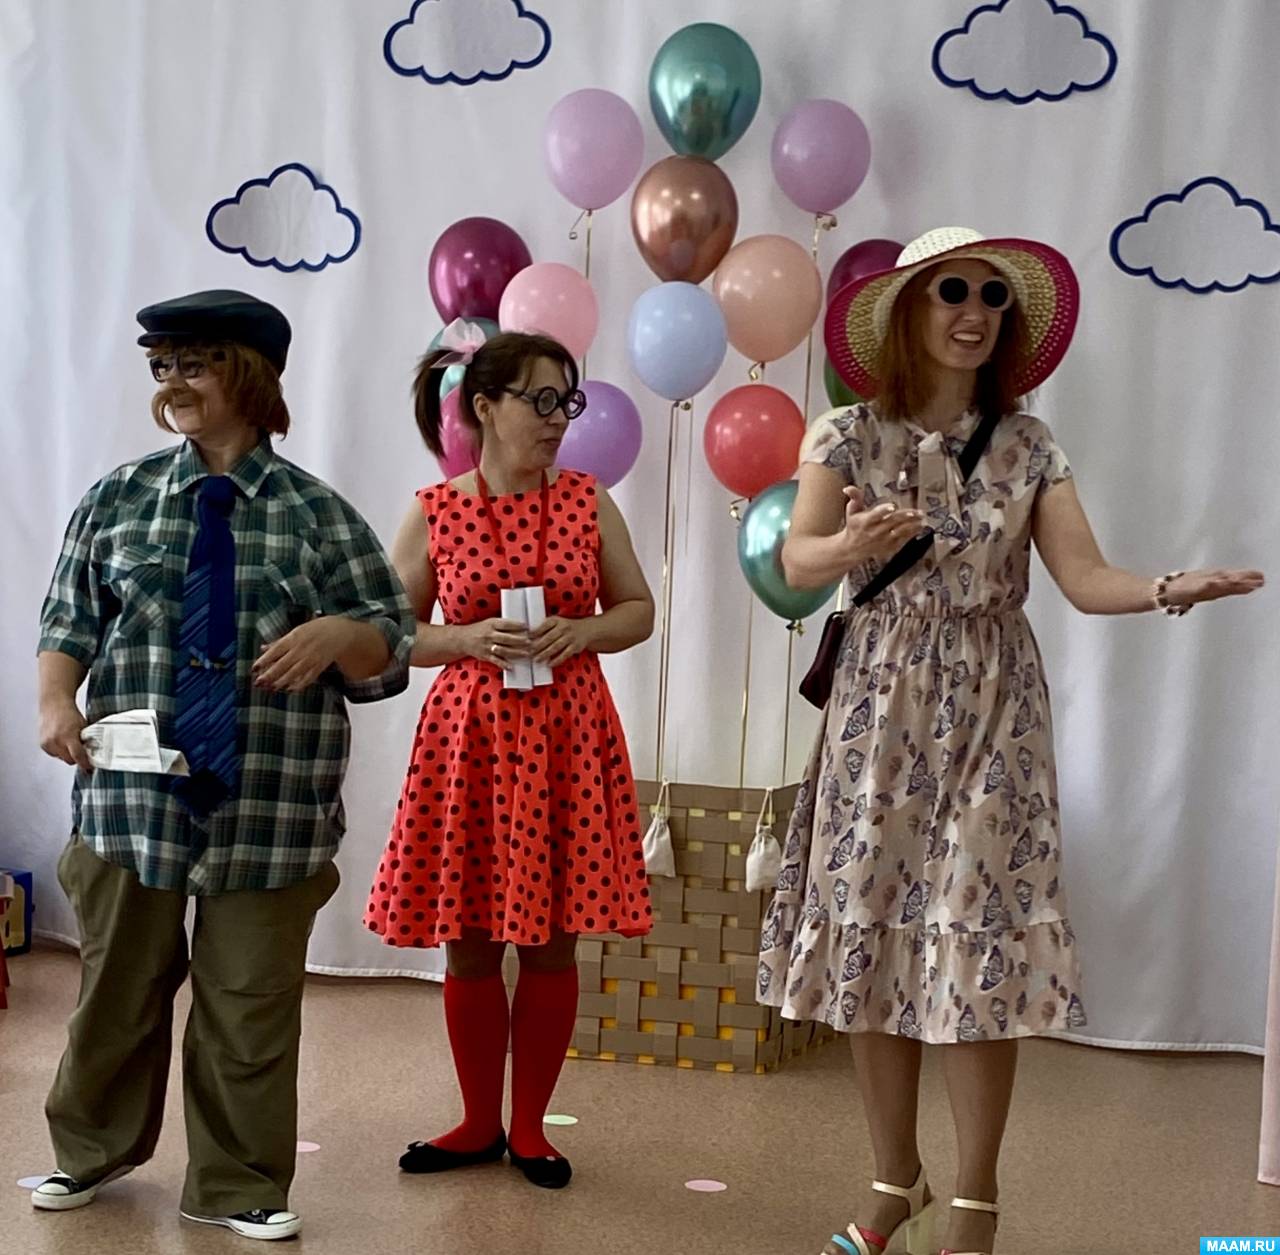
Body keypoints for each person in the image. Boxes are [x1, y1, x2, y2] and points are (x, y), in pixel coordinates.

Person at [760, 228, 1264, 1255]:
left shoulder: (1030, 446)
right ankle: (892, 1181)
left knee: (977, 938)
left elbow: (1084, 577)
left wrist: (1167, 587)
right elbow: (798, 559)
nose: (974, 312)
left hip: (994, 709)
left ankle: (975, 1205)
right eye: (953, 290)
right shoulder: (845, 434)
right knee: (869, 927)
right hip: (878, 706)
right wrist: (844, 543)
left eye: (993, 298)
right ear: (908, 307)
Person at [34, 290, 416, 1241]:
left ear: (249, 377)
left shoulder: (318, 516)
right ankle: (87, 1150)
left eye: (194, 364)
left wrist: (339, 633)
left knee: (249, 1007)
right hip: (130, 802)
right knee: (114, 994)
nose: (172, 383)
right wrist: (55, 701)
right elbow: (69, 620)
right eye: (162, 366)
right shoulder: (118, 498)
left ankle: (238, 1181)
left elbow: (390, 646)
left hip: (270, 809)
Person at [365, 324, 655, 1189]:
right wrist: (462, 637)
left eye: (567, 400)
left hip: (568, 738)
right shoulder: (436, 508)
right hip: (471, 744)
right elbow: (389, 631)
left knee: (555, 940)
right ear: (484, 406)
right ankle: (475, 1121)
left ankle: (531, 1127)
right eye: (541, 399)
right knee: (470, 940)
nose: (559, 418)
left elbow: (638, 609)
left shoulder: (588, 500)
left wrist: (584, 630)